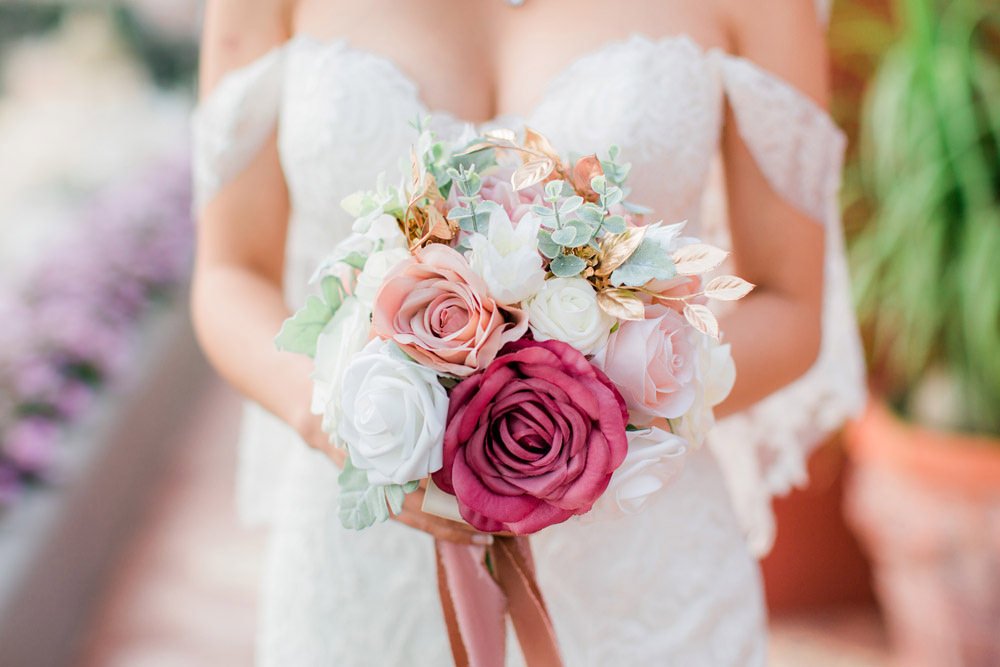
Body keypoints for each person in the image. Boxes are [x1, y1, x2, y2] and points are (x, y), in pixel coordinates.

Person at [191, 0, 865, 664]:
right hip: (360, 560)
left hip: (643, 574)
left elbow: (789, 305)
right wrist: (339, 417)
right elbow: (227, 273)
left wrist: (584, 415)